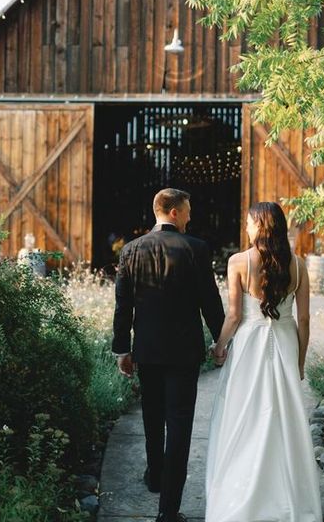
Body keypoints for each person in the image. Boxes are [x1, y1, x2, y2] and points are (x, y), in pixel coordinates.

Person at [112, 188, 225, 522]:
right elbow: (210, 302)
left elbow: (123, 307)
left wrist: (122, 349)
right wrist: (222, 342)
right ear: (174, 212)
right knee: (179, 425)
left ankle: (155, 478)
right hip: (183, 353)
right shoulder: (197, 249)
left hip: (147, 350)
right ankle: (169, 510)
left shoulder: (131, 251)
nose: (190, 216)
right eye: (188, 210)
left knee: (152, 416)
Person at [206, 201, 322, 522]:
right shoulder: (297, 266)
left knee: (244, 418)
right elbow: (304, 320)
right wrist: (298, 362)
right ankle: (285, 499)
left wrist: (219, 347)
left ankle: (241, 498)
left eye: (248, 222)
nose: (245, 227)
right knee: (283, 420)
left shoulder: (238, 261)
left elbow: (233, 316)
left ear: (261, 225)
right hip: (284, 344)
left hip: (248, 347)